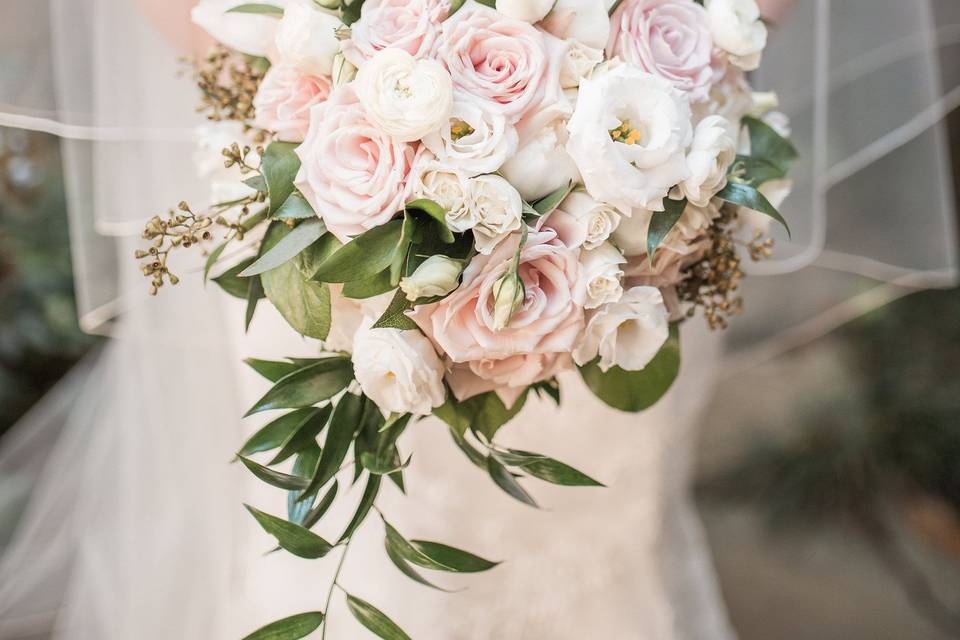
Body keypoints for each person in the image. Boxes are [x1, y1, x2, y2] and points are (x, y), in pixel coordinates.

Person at [0, 0, 956, 638]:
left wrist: (683, 73)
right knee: (354, 518)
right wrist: (289, 111)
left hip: (640, 141)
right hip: (318, 140)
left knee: (600, 492)